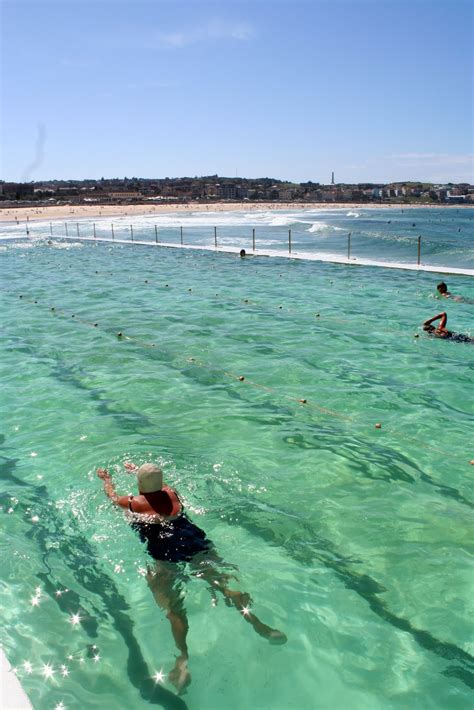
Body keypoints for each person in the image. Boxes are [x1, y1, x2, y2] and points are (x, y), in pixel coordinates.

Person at [97, 462, 286, 693]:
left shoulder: (134, 503)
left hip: (164, 549)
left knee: (173, 606)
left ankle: (183, 657)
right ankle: (257, 622)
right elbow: (160, 484)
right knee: (221, 582)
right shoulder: (172, 494)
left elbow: (111, 496)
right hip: (192, 539)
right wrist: (136, 469)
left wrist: (106, 479)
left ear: (138, 485)